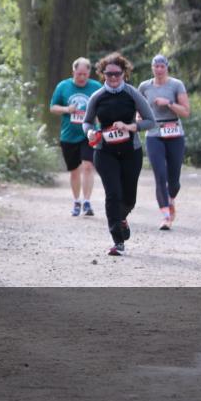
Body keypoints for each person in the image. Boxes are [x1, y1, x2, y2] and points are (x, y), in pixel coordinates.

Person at [82, 52, 156, 257]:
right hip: (104, 152)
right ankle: (118, 241)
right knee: (113, 194)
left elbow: (151, 121)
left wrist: (130, 126)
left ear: (124, 73)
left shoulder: (132, 94)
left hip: (131, 151)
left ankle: (122, 217)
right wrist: (89, 132)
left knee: (129, 198)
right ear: (103, 74)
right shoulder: (97, 97)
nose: (113, 78)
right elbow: (87, 121)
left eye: (117, 74)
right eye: (109, 74)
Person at [138, 54, 190, 231]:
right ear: (152, 68)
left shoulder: (176, 85)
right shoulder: (144, 87)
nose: (159, 69)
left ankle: (171, 198)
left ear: (167, 68)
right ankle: (166, 216)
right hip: (154, 133)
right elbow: (138, 109)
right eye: (156, 66)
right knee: (160, 174)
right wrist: (138, 117)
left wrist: (168, 103)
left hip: (174, 132)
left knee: (174, 179)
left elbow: (185, 112)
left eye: (162, 66)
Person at [49, 57, 103, 218]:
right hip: (68, 135)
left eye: (85, 74)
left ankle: (87, 201)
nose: (82, 77)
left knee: (88, 166)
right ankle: (76, 201)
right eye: (79, 74)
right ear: (73, 72)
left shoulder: (96, 87)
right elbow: (53, 107)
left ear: (89, 73)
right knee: (74, 171)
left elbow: (103, 109)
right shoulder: (63, 86)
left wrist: (99, 126)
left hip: (89, 134)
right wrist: (67, 109)